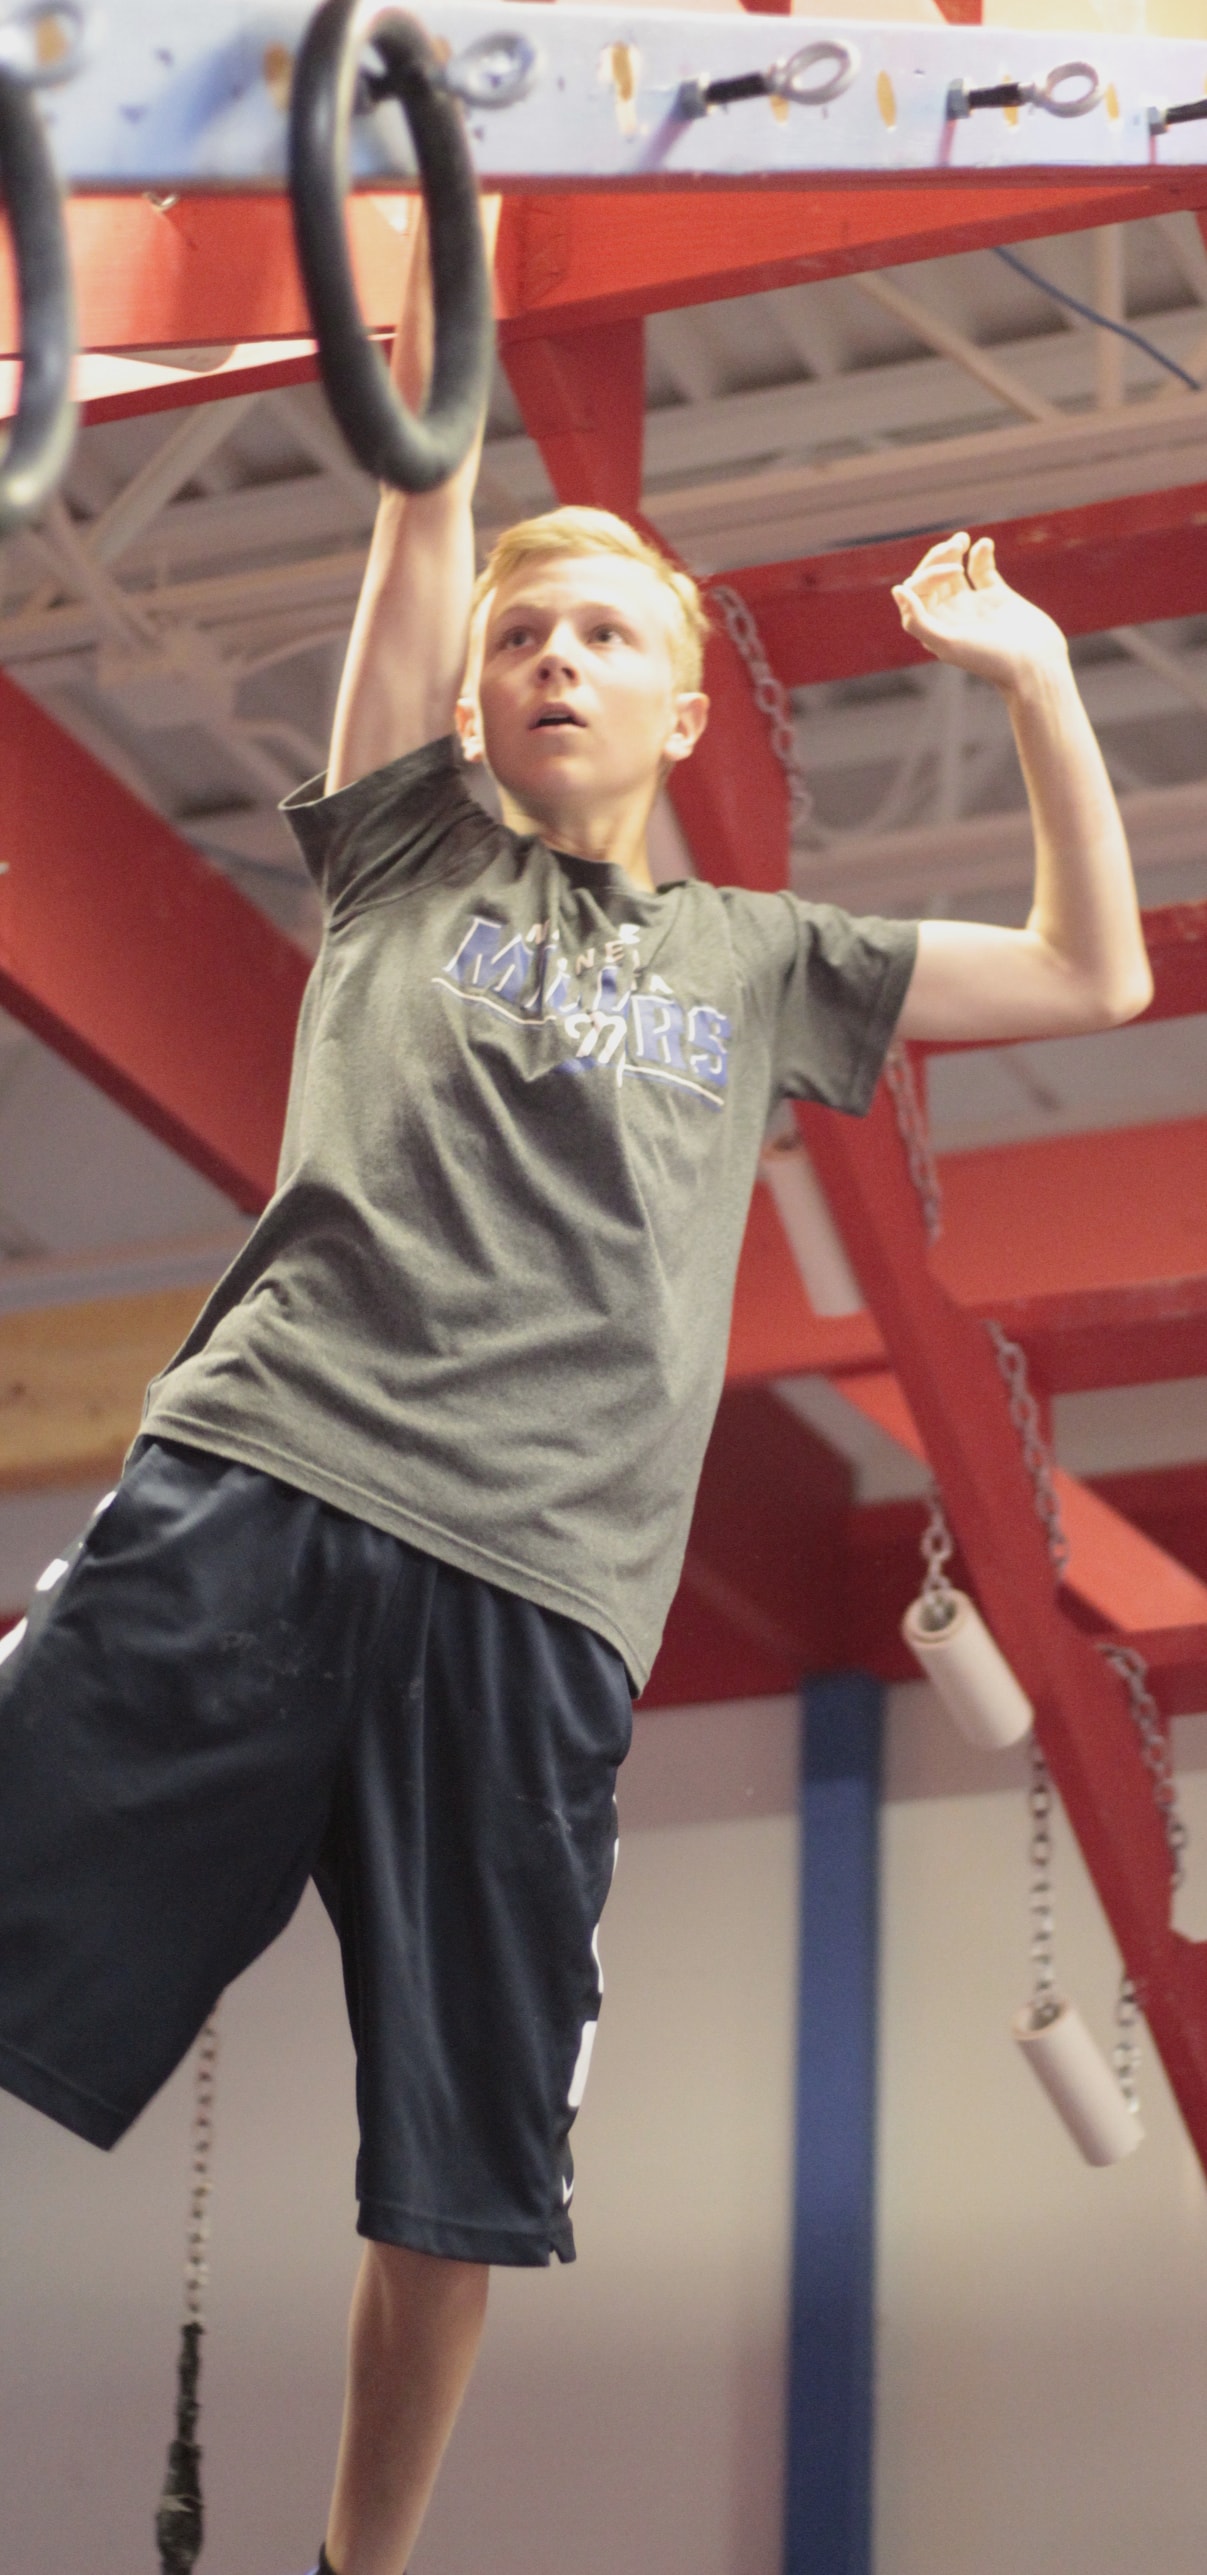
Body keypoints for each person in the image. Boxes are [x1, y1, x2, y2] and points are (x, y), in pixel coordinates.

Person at [0, 200, 1151, 2575]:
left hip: (540, 1598)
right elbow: (425, 492)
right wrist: (447, 271)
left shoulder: (761, 959)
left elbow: (1086, 977)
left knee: (464, 2170)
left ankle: (356, 2568)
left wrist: (1035, 673)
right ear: (471, 699)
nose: (551, 657)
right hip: (274, 1486)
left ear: (681, 710)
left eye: (604, 632)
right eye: (522, 635)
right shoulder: (407, 852)